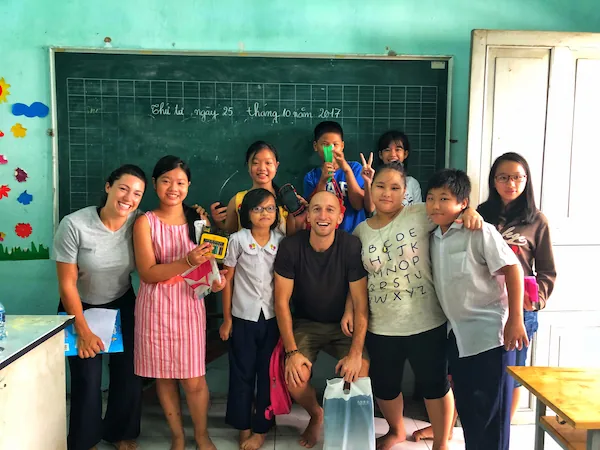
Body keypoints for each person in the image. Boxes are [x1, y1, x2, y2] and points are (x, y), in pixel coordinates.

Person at [353, 161, 482, 450]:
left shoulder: (420, 214)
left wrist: (469, 210)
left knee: (435, 385)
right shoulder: (360, 232)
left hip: (427, 320)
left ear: (406, 192)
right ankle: (396, 430)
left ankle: (441, 440)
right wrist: (350, 311)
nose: (387, 193)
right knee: (385, 386)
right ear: (370, 189)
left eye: (395, 187)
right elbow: (356, 280)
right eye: (381, 186)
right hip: (381, 323)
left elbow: (451, 209)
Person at [426, 168, 529, 450]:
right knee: (471, 412)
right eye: (431, 198)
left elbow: (513, 270)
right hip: (458, 338)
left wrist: (515, 320)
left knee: (491, 418)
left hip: (490, 336)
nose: (435, 205)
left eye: (444, 198)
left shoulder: (479, 231)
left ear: (462, 203)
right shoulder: (433, 236)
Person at [133, 155, 227, 450]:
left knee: (193, 378)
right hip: (156, 308)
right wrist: (187, 260)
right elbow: (148, 274)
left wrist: (214, 279)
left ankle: (201, 435)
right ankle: (177, 436)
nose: (173, 188)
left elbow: (206, 265)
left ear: (188, 186)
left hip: (189, 307)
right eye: (166, 181)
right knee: (164, 376)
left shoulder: (198, 221)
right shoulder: (144, 223)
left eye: (181, 182)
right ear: (154, 184)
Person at [52, 164, 147, 450]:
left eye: (138, 193)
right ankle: (85, 439)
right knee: (87, 377)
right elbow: (67, 284)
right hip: (79, 304)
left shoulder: (139, 222)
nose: (129, 197)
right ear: (108, 187)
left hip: (121, 301)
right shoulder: (74, 224)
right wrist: (82, 330)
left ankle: (121, 433)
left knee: (129, 372)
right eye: (123, 188)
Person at [273, 190, 370, 449]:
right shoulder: (291, 247)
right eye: (316, 209)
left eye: (330, 210)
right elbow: (281, 302)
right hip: (306, 323)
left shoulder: (350, 246)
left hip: (343, 325)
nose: (323, 215)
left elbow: (361, 303)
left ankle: (348, 429)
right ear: (308, 216)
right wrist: (292, 351)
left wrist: (356, 353)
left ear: (340, 217)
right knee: (295, 377)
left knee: (359, 371)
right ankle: (317, 414)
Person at [478, 152, 556, 420]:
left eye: (517, 177)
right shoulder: (481, 215)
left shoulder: (537, 220)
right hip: (484, 307)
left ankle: (504, 430)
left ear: (526, 180)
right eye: (503, 177)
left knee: (513, 372)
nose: (510, 183)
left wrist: (534, 302)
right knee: (483, 371)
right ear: (494, 181)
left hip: (520, 311)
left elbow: (548, 271)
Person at [219, 188, 284, 450]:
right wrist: (226, 320)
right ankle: (243, 426)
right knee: (242, 374)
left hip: (272, 319)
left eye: (270, 208)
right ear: (246, 213)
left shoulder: (281, 241)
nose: (264, 213)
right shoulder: (237, 240)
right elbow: (227, 281)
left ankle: (261, 428)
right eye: (257, 208)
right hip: (243, 317)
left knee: (268, 375)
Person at [210, 141, 291, 235]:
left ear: (276, 166)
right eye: (255, 163)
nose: (262, 168)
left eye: (268, 163)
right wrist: (218, 222)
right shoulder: (237, 200)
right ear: (248, 165)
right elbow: (230, 233)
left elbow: (294, 235)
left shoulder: (287, 199)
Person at [303, 121, 366, 233]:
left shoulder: (355, 168)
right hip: (325, 236)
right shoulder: (311, 177)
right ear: (315, 146)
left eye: (335, 145)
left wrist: (347, 171)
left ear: (342, 146)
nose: (331, 150)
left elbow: (358, 205)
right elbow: (313, 210)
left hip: (354, 233)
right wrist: (322, 181)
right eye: (325, 145)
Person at [364, 130, 422, 214]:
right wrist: (367, 183)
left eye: (398, 149)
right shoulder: (375, 181)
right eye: (387, 150)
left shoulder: (412, 183)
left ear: (405, 154)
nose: (392, 154)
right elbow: (371, 209)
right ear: (380, 155)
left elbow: (418, 213)